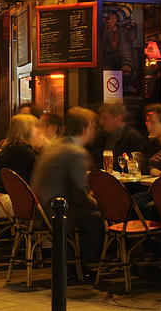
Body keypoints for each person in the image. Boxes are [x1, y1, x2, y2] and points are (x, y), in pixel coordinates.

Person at [31, 107, 103, 276]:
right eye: (93, 127)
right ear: (86, 128)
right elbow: (79, 196)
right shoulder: (76, 152)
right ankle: (80, 267)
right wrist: (103, 206)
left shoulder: (54, 145)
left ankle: (72, 264)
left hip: (39, 206)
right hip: (55, 211)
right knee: (97, 219)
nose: (94, 132)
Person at [90, 102, 146, 172]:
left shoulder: (133, 137)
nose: (101, 122)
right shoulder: (104, 136)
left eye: (105, 118)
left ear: (118, 119)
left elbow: (135, 166)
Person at [0, 114, 38, 194]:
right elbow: (41, 173)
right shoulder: (23, 150)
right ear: (28, 130)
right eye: (36, 127)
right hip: (11, 201)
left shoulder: (10, 147)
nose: (39, 130)